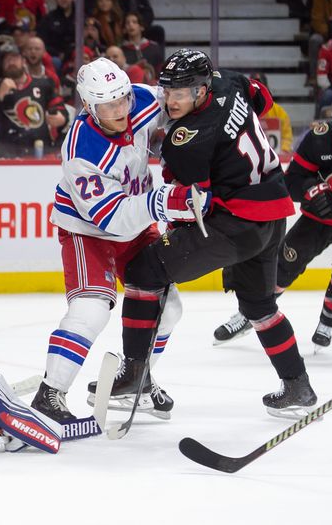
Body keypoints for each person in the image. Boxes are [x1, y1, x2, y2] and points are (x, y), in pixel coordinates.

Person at [114, 49, 316, 419]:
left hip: (236, 223)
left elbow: (196, 203)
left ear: (202, 89)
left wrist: (173, 244)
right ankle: (297, 384)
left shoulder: (186, 139)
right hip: (273, 214)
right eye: (168, 90)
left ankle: (133, 376)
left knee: (143, 270)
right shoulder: (230, 80)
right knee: (258, 306)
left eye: (180, 93)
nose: (170, 100)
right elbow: (262, 99)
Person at [29, 57, 201, 422]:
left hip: (136, 225)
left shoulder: (140, 99)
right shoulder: (81, 151)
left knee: (169, 310)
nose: (121, 109)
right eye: (108, 105)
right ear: (89, 107)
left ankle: (135, 377)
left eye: (122, 98)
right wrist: (164, 202)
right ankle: (50, 395)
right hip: (88, 231)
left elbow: (181, 98)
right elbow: (112, 219)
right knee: (90, 311)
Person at [213, 83, 332, 353]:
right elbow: (292, 181)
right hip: (320, 216)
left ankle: (328, 323)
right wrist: (313, 191)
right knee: (282, 265)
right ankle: (250, 315)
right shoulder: (320, 138)